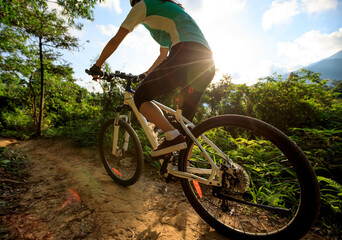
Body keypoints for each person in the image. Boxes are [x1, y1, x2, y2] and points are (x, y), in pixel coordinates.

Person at [88, 0, 215, 157]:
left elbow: (117, 39)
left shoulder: (143, 4)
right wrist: (146, 73)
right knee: (183, 126)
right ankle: (183, 170)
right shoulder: (168, 11)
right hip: (206, 63)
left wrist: (98, 66)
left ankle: (172, 138)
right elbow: (163, 56)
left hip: (186, 52)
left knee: (141, 96)